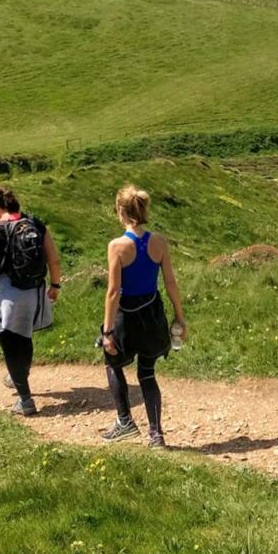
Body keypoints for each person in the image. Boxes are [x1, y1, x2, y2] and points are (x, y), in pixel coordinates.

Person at [0, 183, 62, 417]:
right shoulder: (36, 224)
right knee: (24, 337)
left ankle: (25, 400)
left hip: (8, 295)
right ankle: (18, 375)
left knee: (10, 344)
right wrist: (55, 285)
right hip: (35, 291)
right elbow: (53, 261)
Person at [99, 184, 188, 447]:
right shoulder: (158, 241)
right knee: (147, 372)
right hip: (152, 314)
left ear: (120, 211)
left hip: (126, 316)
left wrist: (107, 332)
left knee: (113, 364)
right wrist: (180, 318)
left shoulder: (116, 246)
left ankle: (125, 421)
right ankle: (156, 434)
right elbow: (171, 283)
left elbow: (113, 291)